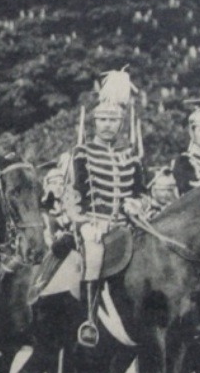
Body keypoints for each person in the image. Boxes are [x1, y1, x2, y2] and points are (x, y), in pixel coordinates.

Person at [54, 71, 147, 345]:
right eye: (103, 120)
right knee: (94, 255)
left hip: (126, 225)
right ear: (95, 122)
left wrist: (137, 203)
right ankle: (89, 320)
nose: (108, 125)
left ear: (121, 124)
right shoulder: (82, 153)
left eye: (113, 120)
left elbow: (143, 192)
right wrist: (83, 224)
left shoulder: (130, 156)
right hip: (93, 224)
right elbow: (71, 195)